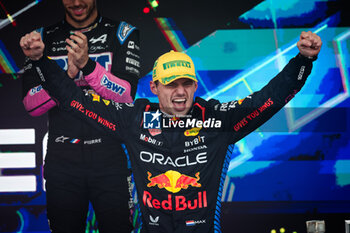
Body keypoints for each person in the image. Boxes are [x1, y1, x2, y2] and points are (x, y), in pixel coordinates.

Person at [20, 31, 321, 233]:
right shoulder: (133, 118)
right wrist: (39, 61)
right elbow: (73, 99)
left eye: (186, 83)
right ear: (155, 87)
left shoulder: (217, 119)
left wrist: (303, 61)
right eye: (171, 84)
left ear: (195, 85)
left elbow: (268, 99)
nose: (180, 92)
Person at [20, 0, 140, 232]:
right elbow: (32, 105)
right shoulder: (40, 39)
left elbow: (126, 95)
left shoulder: (123, 33)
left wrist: (87, 65)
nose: (76, 2)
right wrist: (66, 74)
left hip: (110, 155)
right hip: (62, 159)